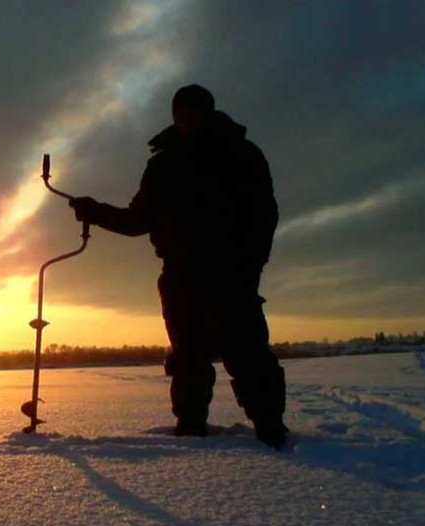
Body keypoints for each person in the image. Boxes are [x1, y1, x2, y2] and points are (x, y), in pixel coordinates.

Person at [69, 84, 287, 448]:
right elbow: (137, 220)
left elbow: (265, 216)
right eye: (180, 112)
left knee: (248, 352)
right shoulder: (163, 165)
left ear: (208, 112)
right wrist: (96, 211)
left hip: (233, 275)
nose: (186, 118)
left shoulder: (241, 155)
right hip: (181, 278)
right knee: (188, 359)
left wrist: (250, 266)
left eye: (193, 111)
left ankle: (272, 430)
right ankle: (191, 435)